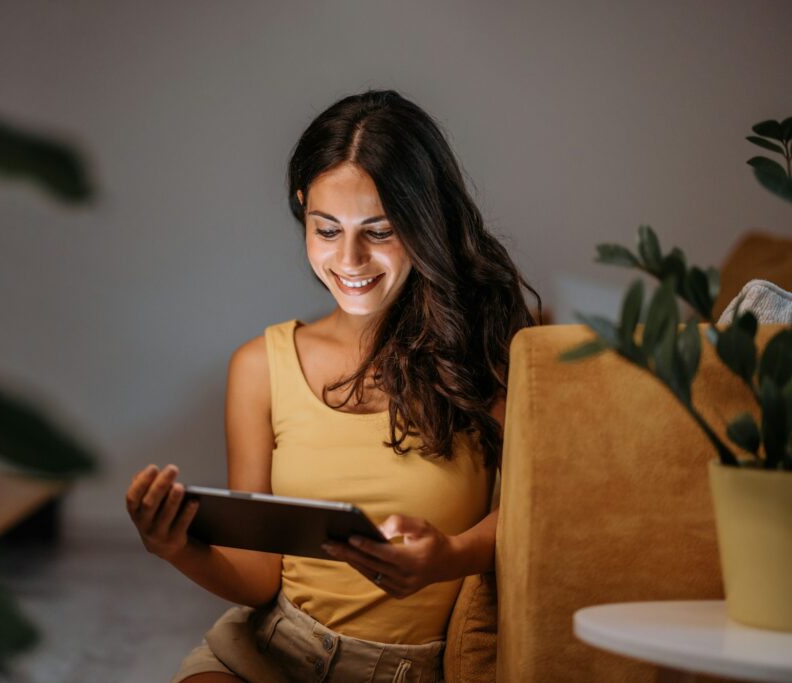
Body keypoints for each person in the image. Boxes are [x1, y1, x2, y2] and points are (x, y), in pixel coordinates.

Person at [125, 89, 539, 683]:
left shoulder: (484, 356)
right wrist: (175, 546)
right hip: (266, 651)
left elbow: (535, 509)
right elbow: (258, 577)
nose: (349, 259)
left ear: (426, 223)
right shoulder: (259, 367)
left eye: (380, 230)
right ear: (303, 209)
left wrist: (449, 558)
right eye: (327, 229)